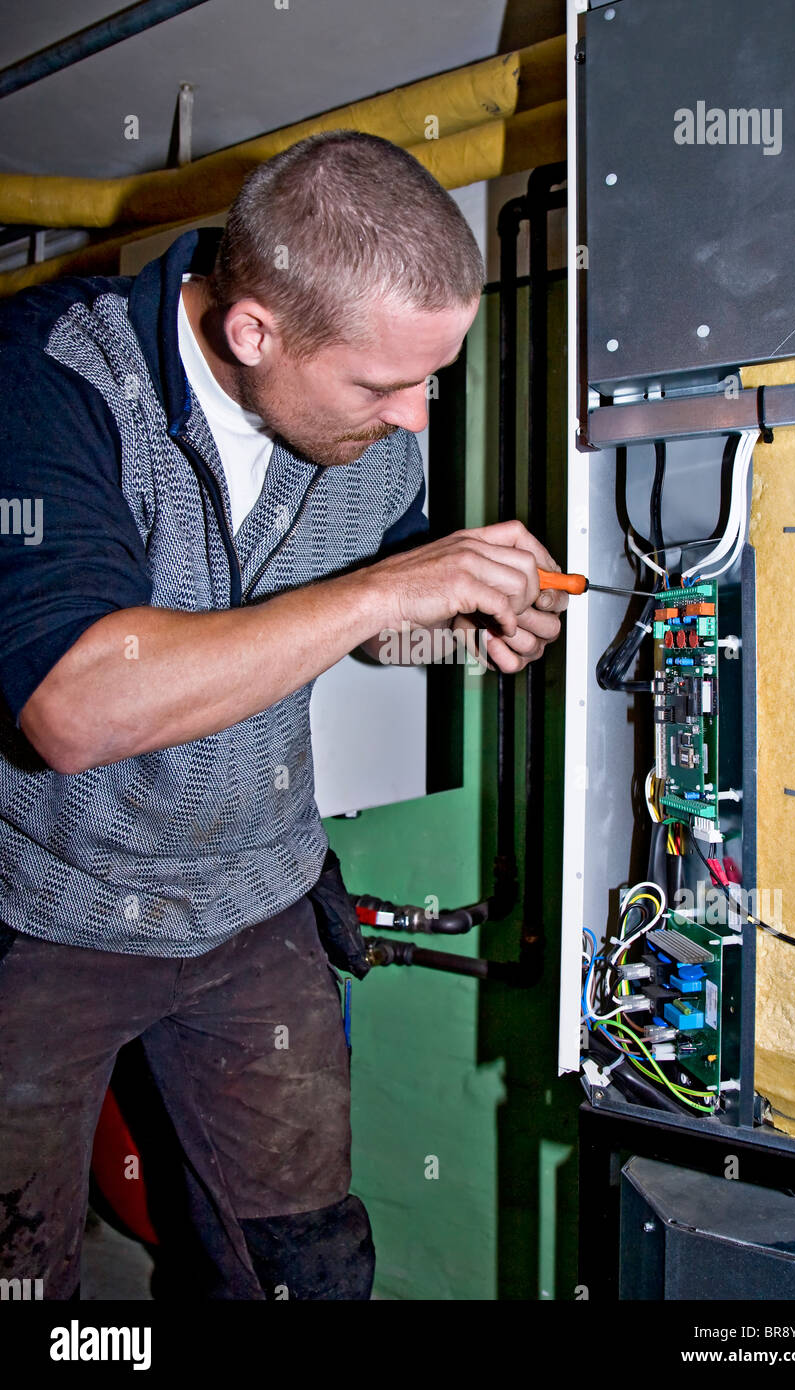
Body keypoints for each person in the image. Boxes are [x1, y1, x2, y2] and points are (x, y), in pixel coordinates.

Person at [0, 130, 566, 1300]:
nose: (417, 418)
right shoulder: (46, 378)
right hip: (43, 912)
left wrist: (454, 632)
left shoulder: (364, 426)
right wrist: (384, 589)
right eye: (383, 384)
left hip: (254, 906)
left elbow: (354, 622)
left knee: (299, 1270)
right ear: (252, 330)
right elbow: (72, 702)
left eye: (432, 378)